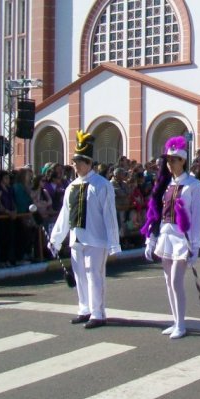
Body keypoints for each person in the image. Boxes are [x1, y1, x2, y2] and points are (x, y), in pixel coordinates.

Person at [49, 130, 121, 329]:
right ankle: (84, 309)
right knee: (80, 275)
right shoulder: (71, 186)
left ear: (89, 163)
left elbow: (109, 215)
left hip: (96, 239)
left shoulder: (102, 184)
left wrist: (114, 242)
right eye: (74, 161)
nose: (75, 165)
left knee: (94, 275)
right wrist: (56, 239)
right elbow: (65, 214)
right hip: (77, 239)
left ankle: (98, 313)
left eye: (79, 161)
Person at [141, 136, 200, 339]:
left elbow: (196, 216)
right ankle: (175, 320)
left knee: (176, 281)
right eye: (168, 160)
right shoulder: (166, 184)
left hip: (182, 239)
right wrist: (151, 239)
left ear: (183, 160)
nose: (170, 163)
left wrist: (195, 245)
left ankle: (182, 324)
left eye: (174, 159)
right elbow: (156, 214)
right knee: (168, 281)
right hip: (166, 235)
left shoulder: (193, 184)